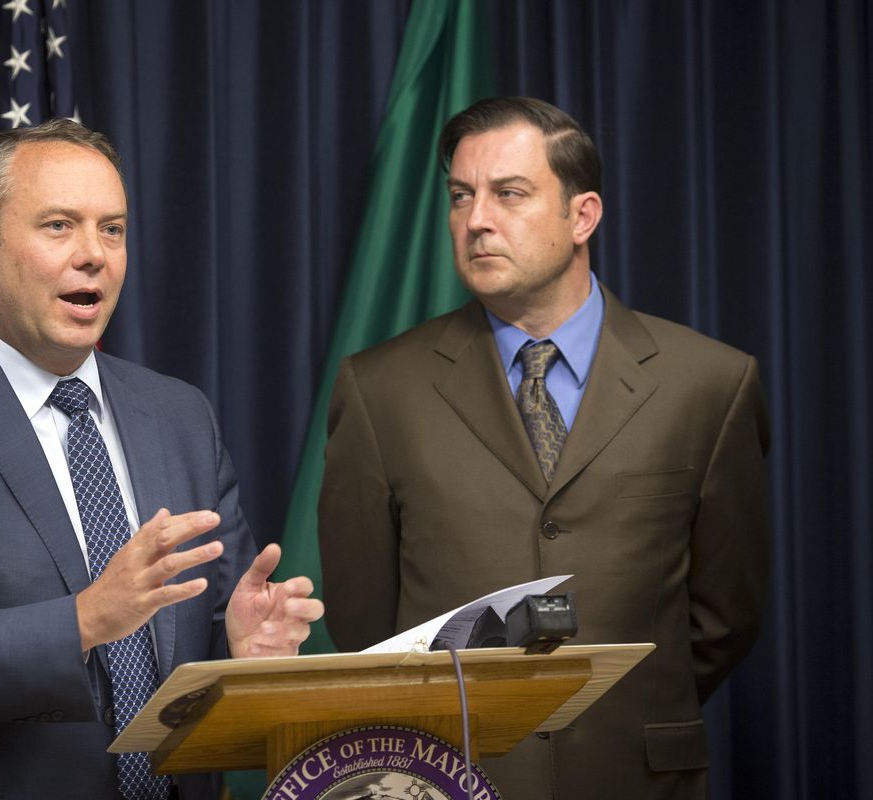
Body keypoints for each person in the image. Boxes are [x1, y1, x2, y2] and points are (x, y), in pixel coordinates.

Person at [0, 118, 323, 800]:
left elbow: (204, 627)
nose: (95, 255)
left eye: (112, 229)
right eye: (59, 226)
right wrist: (80, 623)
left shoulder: (179, 415)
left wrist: (241, 653)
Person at [318, 97, 769, 799]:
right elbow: (364, 622)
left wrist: (613, 702)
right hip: (449, 777)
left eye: (510, 194)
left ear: (582, 215)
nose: (476, 221)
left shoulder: (709, 383)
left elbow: (723, 618)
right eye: (461, 197)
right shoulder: (380, 389)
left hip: (636, 777)